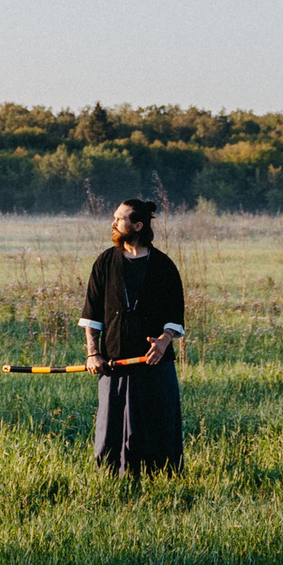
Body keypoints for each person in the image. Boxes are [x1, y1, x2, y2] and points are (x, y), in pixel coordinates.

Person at [81, 197, 185, 474]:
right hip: (113, 362)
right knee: (110, 427)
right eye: (114, 217)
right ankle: (111, 478)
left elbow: (175, 314)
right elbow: (92, 313)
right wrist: (93, 353)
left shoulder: (163, 265)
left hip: (154, 363)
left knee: (157, 424)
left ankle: (161, 478)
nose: (113, 223)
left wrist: (163, 341)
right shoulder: (105, 262)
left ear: (138, 226)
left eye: (120, 219)